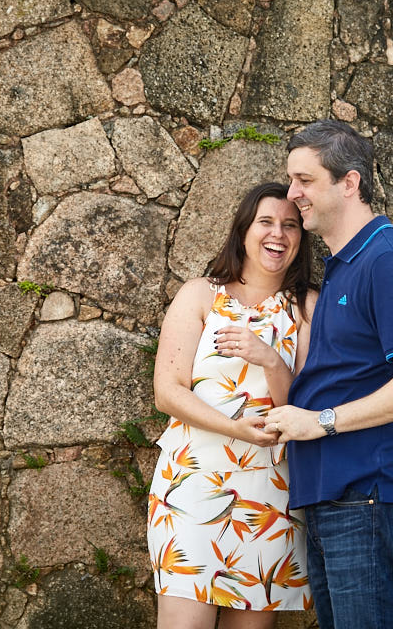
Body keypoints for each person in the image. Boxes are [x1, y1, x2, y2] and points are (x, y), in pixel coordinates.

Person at [264, 120, 393, 629]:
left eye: (305, 180)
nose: (292, 193)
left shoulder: (387, 262)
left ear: (350, 182)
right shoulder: (345, 266)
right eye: (290, 179)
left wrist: (318, 421)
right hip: (333, 498)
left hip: (367, 496)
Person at [148, 182, 317, 629]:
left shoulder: (306, 308)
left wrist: (269, 357)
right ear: (243, 230)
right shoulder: (202, 295)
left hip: (269, 501)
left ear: (302, 238)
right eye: (266, 222)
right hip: (192, 487)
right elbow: (168, 390)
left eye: (290, 225)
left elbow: (304, 408)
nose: (278, 234)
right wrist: (234, 427)